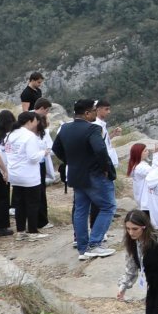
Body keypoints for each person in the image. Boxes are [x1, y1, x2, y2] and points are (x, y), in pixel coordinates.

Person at [52, 99, 117, 261]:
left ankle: (83, 248)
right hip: (94, 175)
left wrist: (70, 161)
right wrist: (106, 168)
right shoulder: (92, 129)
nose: (96, 113)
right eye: (94, 110)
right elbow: (101, 150)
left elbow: (56, 149)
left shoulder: (65, 128)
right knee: (108, 206)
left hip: (75, 174)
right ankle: (95, 244)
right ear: (87, 113)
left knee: (81, 210)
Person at [2, 111, 48, 238]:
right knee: (32, 203)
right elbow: (33, 157)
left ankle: (20, 231)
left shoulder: (9, 135)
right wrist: (43, 153)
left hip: (14, 174)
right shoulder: (29, 136)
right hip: (29, 175)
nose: (37, 122)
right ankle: (33, 231)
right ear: (29, 121)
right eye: (35, 120)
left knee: (19, 204)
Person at [128, 143, 150, 212]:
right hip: (146, 202)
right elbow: (155, 173)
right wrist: (156, 156)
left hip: (142, 201)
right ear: (139, 153)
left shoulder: (136, 165)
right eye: (145, 151)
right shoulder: (141, 167)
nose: (148, 152)